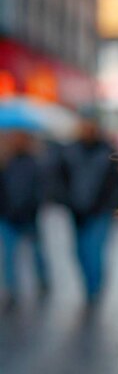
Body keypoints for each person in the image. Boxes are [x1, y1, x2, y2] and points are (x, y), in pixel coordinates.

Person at [57, 115, 118, 304]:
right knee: (79, 251)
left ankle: (94, 289)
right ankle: (88, 285)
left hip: (100, 210)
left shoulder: (108, 151)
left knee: (94, 250)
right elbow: (59, 178)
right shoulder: (68, 151)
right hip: (76, 210)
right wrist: (66, 200)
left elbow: (117, 182)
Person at [0, 131, 49, 309]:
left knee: (36, 253)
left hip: (28, 216)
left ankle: (43, 280)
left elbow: (41, 190)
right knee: (9, 256)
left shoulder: (35, 162)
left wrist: (32, 208)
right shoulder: (5, 162)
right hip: (7, 216)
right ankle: (11, 290)